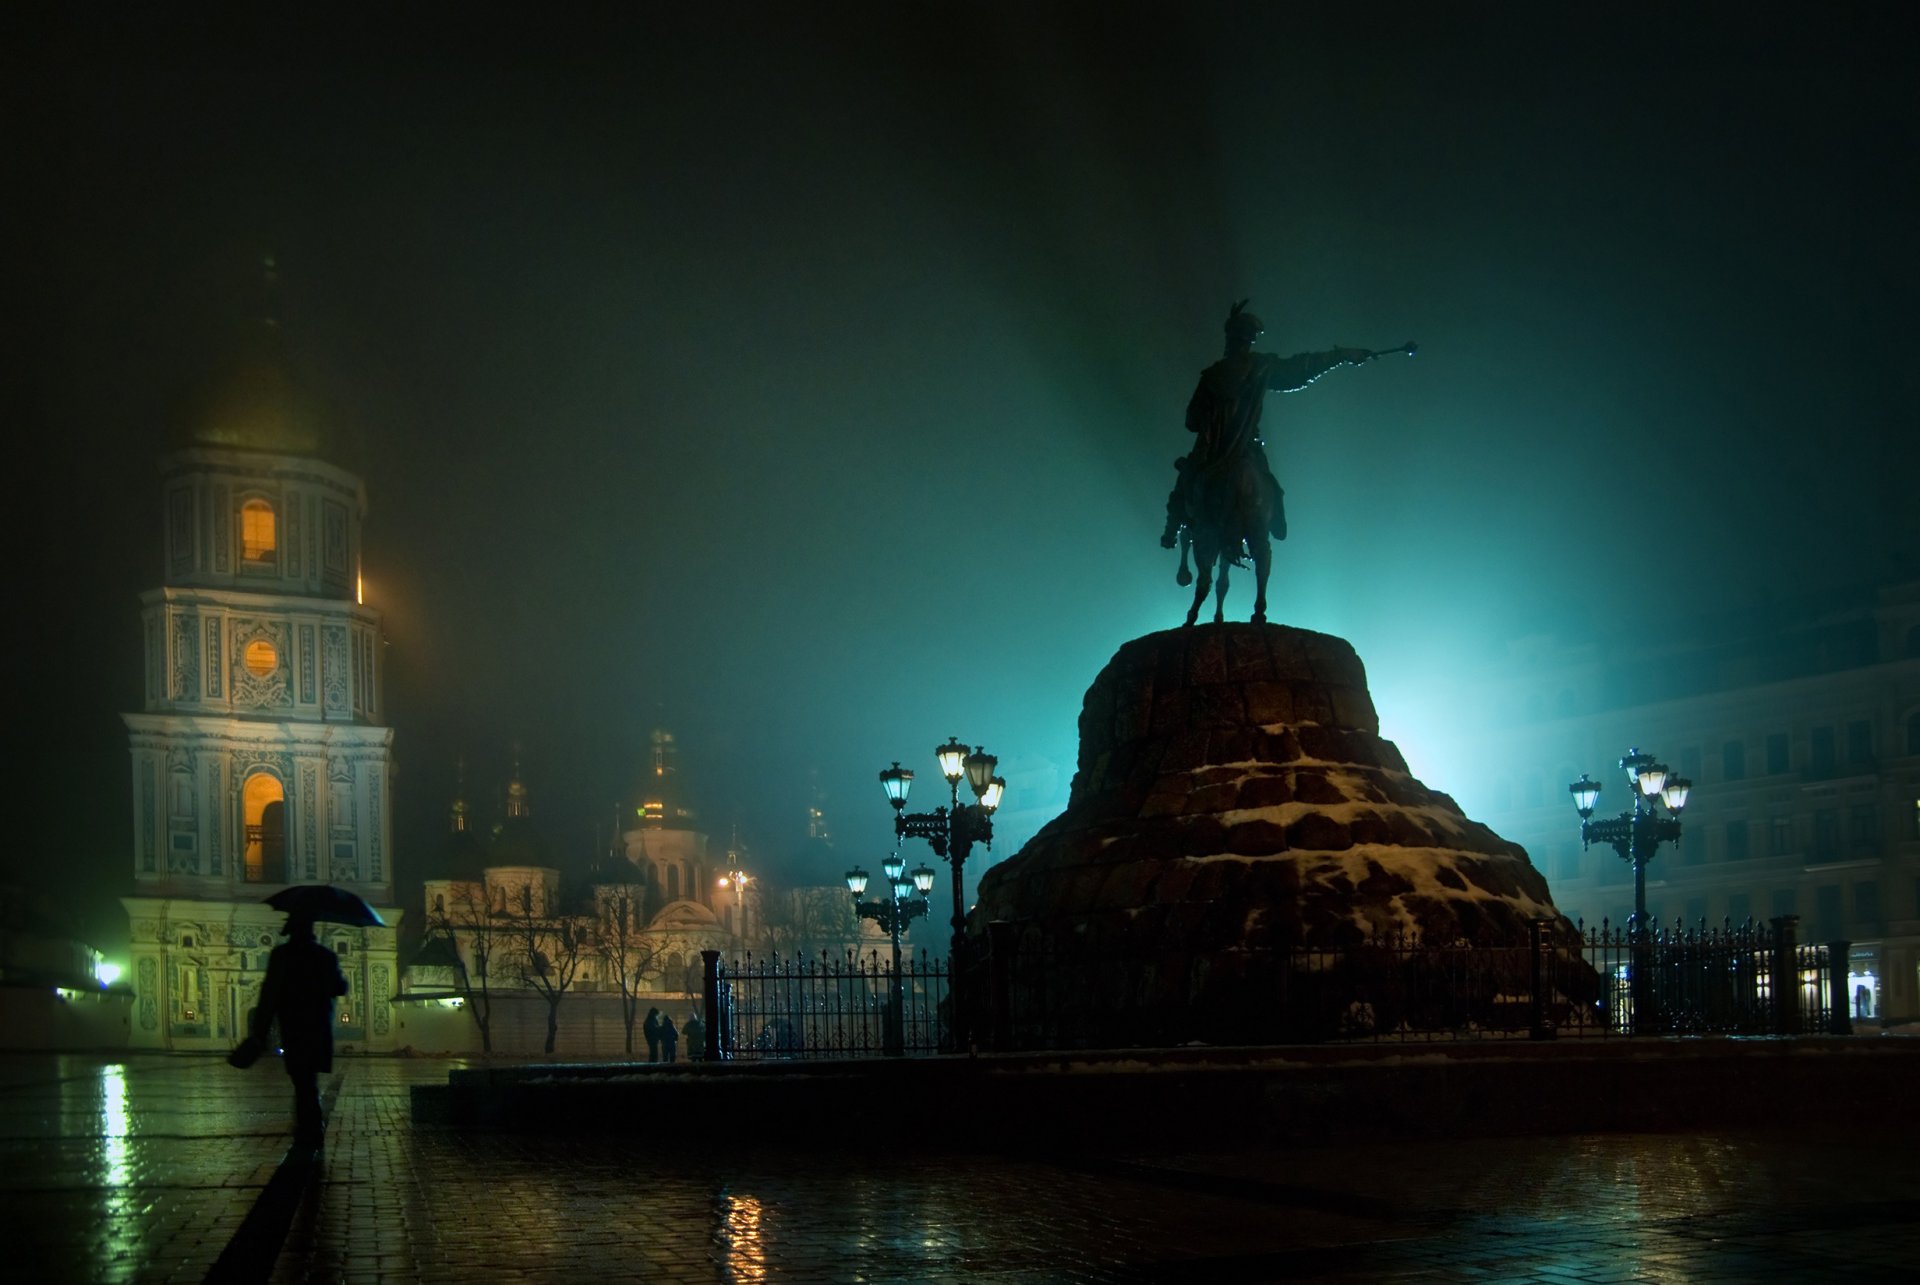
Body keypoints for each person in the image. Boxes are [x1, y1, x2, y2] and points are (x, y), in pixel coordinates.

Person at [1162, 300, 1378, 548]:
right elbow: (1300, 369)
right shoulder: (1262, 367)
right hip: (1246, 448)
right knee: (1271, 487)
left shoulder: (1211, 376)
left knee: (1184, 486)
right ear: (1250, 340)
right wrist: (1341, 355)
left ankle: (1170, 533)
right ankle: (1275, 523)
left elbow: (1192, 421)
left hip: (1211, 451)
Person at [239, 913, 348, 1144]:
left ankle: (308, 1127)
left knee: (302, 1079)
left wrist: (259, 1034)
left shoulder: (282, 956)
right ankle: (310, 1126)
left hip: (294, 1028)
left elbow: (268, 996)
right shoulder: (324, 956)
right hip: (318, 1029)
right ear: (312, 931)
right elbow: (339, 987)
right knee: (307, 1080)